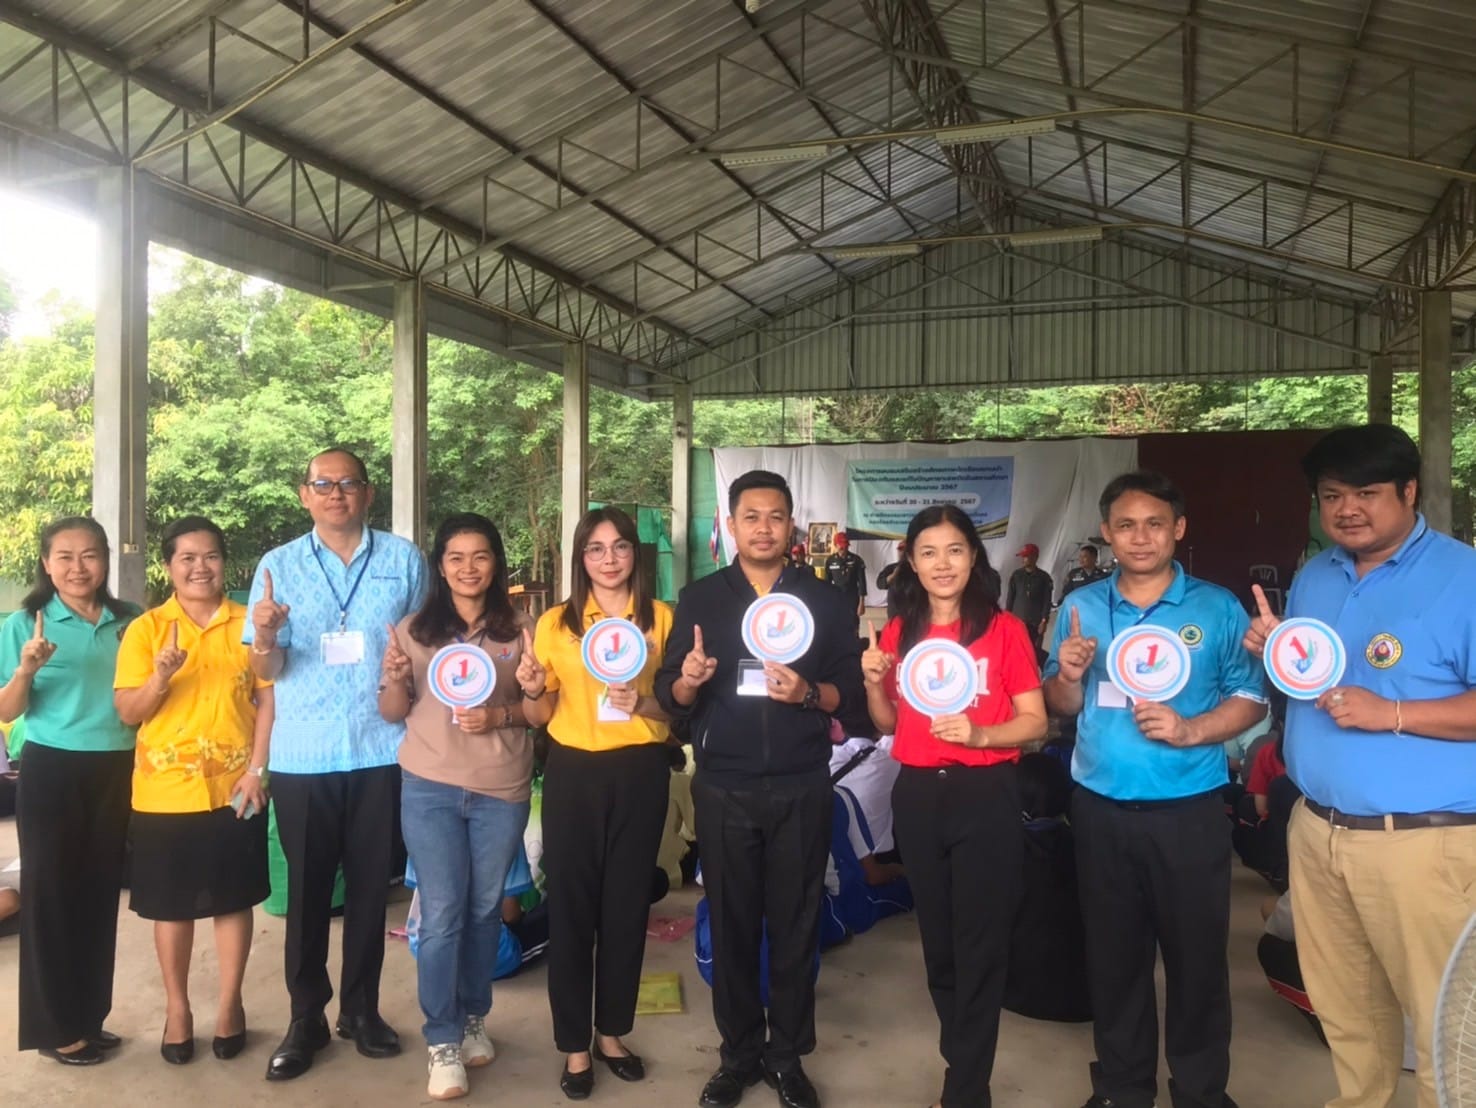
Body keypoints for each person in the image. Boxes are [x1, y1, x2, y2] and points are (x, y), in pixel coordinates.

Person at [1242, 423, 1476, 1108]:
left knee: (1446, 1025)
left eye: (1367, 493)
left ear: (1409, 491)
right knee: (1346, 1012)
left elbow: (1379, 705)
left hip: (1422, 843)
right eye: (1332, 495)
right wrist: (1274, 650)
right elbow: (1312, 686)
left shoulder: (1462, 577)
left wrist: (1394, 713)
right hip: (1318, 831)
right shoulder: (1317, 575)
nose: (1347, 510)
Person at [1043, 470, 1266, 1108]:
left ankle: (1200, 1090)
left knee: (1198, 962)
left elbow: (1251, 697)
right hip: (1101, 810)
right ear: (1107, 533)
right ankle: (1122, 1087)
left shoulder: (1216, 607)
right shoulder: (1082, 606)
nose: (1140, 537)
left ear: (1179, 529)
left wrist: (1192, 729)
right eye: (1126, 525)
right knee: (1114, 960)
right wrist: (1069, 674)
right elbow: (1059, 704)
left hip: (1189, 812)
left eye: (1155, 524)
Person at [656, 470, 868, 1108]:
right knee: (733, 924)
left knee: (797, 924)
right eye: (751, 516)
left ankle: (788, 1057)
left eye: (776, 516)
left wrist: (807, 693)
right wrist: (690, 679)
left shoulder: (824, 601)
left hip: (802, 783)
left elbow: (851, 698)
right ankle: (738, 1055)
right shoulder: (701, 598)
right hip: (724, 785)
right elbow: (670, 695)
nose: (764, 528)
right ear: (731, 524)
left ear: (791, 525)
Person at [244, 448, 428, 1081]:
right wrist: (266, 636)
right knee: (308, 894)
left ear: (367, 493)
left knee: (372, 890)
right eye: (323, 484)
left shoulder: (404, 560)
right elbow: (266, 670)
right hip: (305, 754)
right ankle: (306, 1018)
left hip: (382, 749)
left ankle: (361, 1010)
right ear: (304, 494)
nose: (336, 493)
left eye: (348, 483)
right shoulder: (277, 566)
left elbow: (425, 646)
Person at [861, 504, 1048, 1108]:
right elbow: (888, 723)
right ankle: (964, 1067)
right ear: (912, 564)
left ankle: (965, 1089)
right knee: (939, 946)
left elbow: (1035, 722)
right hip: (917, 795)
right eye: (929, 553)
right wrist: (873, 680)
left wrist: (981, 734)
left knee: (980, 945)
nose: (942, 564)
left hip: (984, 795)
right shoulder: (900, 632)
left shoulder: (1005, 630)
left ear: (974, 558)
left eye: (955, 550)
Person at [517, 506, 674, 1100]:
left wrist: (642, 702)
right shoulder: (555, 624)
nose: (609, 559)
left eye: (620, 547)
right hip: (573, 773)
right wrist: (532, 688)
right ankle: (574, 1046)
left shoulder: (662, 619)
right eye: (596, 549)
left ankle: (611, 1033)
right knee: (572, 910)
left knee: (627, 907)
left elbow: (678, 706)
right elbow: (538, 715)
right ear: (580, 558)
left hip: (640, 771)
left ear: (636, 553)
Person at [377, 513, 533, 1101]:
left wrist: (511, 706)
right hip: (430, 787)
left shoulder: (521, 629)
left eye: (481, 556)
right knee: (442, 912)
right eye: (456, 558)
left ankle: (473, 1017)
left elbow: (537, 714)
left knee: (485, 909)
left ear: (496, 563)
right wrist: (395, 678)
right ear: (440, 567)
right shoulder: (413, 631)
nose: (469, 568)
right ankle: (442, 1038)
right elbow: (393, 711)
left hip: (501, 788)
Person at [113, 517, 273, 1065]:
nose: (200, 567)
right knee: (172, 907)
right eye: (187, 558)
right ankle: (177, 1010)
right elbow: (128, 711)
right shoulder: (147, 629)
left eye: (211, 556)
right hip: (165, 793)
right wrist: (160, 676)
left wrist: (258, 770)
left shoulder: (248, 624)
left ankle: (230, 1006)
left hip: (236, 787)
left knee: (233, 900)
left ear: (224, 563)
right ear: (169, 567)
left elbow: (268, 700)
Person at [0, 517, 139, 1065]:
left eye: (89, 555)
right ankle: (55, 1028)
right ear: (46, 563)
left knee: (99, 896)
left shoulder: (130, 621)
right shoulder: (24, 623)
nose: (78, 568)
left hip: (118, 768)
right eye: (65, 556)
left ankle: (89, 1017)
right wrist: (26, 670)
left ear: (105, 560)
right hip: (53, 770)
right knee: (51, 896)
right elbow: (6, 711)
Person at [1005, 542, 1053, 650]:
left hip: (1034, 623)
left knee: (1032, 651)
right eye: (1022, 556)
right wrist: (1007, 618)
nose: (1023, 559)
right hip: (1017, 621)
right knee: (1014, 649)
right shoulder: (1016, 575)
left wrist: (1044, 621)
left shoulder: (1044, 577)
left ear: (1035, 557)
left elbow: (1047, 601)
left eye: (1026, 556)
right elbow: (1010, 598)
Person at [823, 532, 867, 618]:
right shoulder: (830, 560)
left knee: (853, 622)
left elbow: (862, 583)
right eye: (841, 546)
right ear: (836, 545)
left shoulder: (856, 560)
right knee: (837, 621)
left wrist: (862, 603)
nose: (844, 549)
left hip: (852, 598)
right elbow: (827, 583)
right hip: (836, 597)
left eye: (846, 546)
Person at [876, 542, 907, 619]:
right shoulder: (891, 568)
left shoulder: (917, 568)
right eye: (900, 550)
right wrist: (893, 576)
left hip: (912, 611)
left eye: (906, 550)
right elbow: (879, 584)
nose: (903, 552)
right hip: (894, 612)